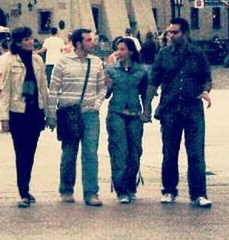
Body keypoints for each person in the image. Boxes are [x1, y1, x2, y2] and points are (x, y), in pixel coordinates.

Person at [145, 17, 213, 208]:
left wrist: (206, 91)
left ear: (185, 34)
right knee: (169, 152)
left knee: (196, 153)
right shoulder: (163, 55)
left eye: (174, 32)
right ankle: (168, 190)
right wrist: (147, 106)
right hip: (170, 109)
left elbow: (207, 78)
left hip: (192, 108)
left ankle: (198, 194)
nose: (170, 35)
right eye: (169, 32)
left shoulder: (198, 54)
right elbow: (153, 81)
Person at [46, 27, 107, 207]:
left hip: (89, 113)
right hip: (68, 113)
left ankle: (91, 192)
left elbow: (102, 86)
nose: (92, 42)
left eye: (92, 39)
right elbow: (53, 89)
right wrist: (51, 114)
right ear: (78, 43)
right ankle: (66, 189)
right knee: (69, 153)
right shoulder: (63, 62)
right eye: (88, 40)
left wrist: (96, 105)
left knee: (90, 153)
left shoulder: (96, 62)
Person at [0, 26, 50, 207]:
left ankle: (25, 187)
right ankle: (23, 191)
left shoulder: (37, 60)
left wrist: (50, 113)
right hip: (18, 112)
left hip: (35, 111)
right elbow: (4, 90)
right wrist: (3, 117)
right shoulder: (9, 61)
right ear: (18, 42)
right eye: (27, 39)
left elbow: (43, 87)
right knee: (21, 152)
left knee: (31, 152)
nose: (31, 42)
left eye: (31, 38)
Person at [106, 36, 150, 203]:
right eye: (118, 49)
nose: (119, 52)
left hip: (134, 114)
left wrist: (146, 111)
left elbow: (146, 93)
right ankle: (121, 189)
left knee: (135, 151)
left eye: (123, 49)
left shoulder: (141, 71)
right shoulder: (111, 70)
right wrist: (106, 85)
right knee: (119, 150)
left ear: (131, 51)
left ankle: (131, 185)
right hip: (116, 112)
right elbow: (106, 94)